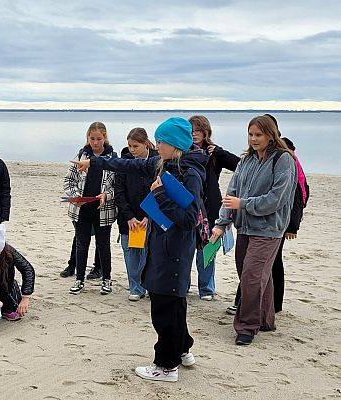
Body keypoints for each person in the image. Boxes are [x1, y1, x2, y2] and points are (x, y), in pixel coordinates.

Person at [74, 117, 207, 382]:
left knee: (164, 305)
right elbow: (129, 164)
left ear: (175, 144)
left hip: (176, 249)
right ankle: (182, 349)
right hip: (161, 242)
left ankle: (165, 366)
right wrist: (95, 162)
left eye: (161, 141)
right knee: (174, 300)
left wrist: (158, 194)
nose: (156, 145)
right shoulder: (163, 163)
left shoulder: (189, 173)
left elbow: (190, 219)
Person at [211, 115, 296, 345]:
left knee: (251, 276)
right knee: (256, 276)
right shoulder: (246, 160)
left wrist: (244, 204)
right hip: (245, 227)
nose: (253, 139)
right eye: (250, 134)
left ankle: (247, 327)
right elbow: (231, 193)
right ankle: (266, 320)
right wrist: (221, 224)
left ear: (271, 135)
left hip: (269, 229)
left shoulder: (283, 159)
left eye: (258, 135)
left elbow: (276, 198)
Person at [189, 115, 240, 300]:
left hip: (210, 206)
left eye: (198, 130)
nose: (194, 134)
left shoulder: (214, 153)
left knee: (208, 249)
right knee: (186, 248)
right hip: (191, 205)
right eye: (191, 130)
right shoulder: (184, 151)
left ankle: (206, 289)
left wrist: (219, 152)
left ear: (206, 132)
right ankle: (183, 285)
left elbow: (240, 165)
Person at [64, 122, 117, 295]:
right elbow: (69, 181)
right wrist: (75, 196)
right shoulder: (81, 156)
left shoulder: (112, 158)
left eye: (99, 139)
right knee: (82, 244)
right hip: (82, 208)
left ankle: (106, 280)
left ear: (105, 138)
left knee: (103, 245)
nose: (95, 142)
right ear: (87, 138)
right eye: (92, 139)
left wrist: (106, 195)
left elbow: (116, 186)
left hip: (103, 208)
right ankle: (79, 279)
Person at [114, 127, 158, 301]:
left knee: (151, 253)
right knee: (131, 252)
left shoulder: (157, 161)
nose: (132, 150)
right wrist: (129, 217)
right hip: (129, 217)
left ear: (146, 144)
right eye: (130, 146)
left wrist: (149, 216)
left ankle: (150, 286)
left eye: (136, 146)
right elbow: (119, 192)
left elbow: (160, 192)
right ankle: (135, 287)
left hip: (152, 217)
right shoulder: (125, 163)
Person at [271, 136, 309, 312]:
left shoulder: (292, 165)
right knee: (271, 261)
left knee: (275, 261)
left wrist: (293, 226)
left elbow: (299, 197)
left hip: (284, 223)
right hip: (276, 220)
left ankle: (276, 303)